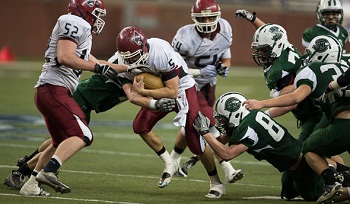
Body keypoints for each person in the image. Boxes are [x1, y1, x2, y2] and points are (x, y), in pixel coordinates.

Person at [18, 0, 136, 196]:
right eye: (96, 13)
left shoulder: (81, 31)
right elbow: (65, 56)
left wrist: (130, 68)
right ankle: (49, 171)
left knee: (59, 141)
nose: (99, 18)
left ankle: (30, 184)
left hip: (51, 91)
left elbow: (98, 62)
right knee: (84, 135)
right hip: (54, 89)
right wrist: (98, 68)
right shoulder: (73, 21)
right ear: (85, 10)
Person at [114, 25, 226, 198]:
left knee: (194, 138)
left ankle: (216, 183)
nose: (131, 61)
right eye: (127, 58)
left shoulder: (159, 51)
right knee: (140, 125)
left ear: (144, 47)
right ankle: (170, 162)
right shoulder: (123, 60)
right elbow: (131, 93)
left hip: (181, 87)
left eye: (134, 56)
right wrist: (150, 100)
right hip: (160, 89)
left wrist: (144, 92)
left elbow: (172, 92)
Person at [243, 35, 350, 203]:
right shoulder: (346, 64)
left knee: (308, 150)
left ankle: (334, 181)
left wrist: (261, 104)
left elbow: (295, 99)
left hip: (335, 120)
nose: (306, 56)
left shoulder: (312, 69)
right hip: (330, 117)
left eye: (310, 53)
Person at [192, 92, 350, 202]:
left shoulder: (248, 128)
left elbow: (227, 154)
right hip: (293, 164)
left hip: (302, 165)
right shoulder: (250, 119)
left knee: (315, 196)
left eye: (223, 119)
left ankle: (342, 177)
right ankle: (339, 171)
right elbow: (222, 141)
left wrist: (205, 133)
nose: (221, 123)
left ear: (235, 114)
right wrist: (199, 154)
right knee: (288, 193)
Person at [169, 0, 243, 183]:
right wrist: (199, 72)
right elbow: (170, 68)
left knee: (192, 126)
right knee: (209, 124)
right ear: (194, 18)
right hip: (189, 84)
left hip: (210, 85)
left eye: (211, 16)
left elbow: (225, 54)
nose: (208, 21)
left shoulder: (225, 28)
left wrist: (224, 67)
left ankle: (173, 160)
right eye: (203, 18)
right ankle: (228, 169)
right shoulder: (185, 37)